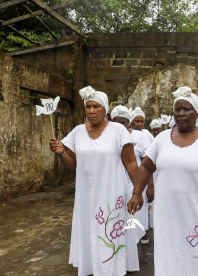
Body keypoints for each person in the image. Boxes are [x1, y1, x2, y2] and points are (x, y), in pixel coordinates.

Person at [127, 86, 198, 276]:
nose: (181, 113)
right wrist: (137, 193)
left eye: (187, 109)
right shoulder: (161, 139)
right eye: (178, 109)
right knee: (170, 255)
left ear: (197, 113)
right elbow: (145, 166)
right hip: (168, 214)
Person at [49, 86, 139, 276]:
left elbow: (131, 162)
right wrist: (61, 152)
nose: (91, 110)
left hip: (112, 193)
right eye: (88, 106)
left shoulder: (117, 130)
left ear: (105, 109)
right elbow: (72, 163)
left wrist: (138, 192)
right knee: (91, 232)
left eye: (96, 106)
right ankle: (96, 269)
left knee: (110, 233)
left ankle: (111, 270)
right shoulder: (77, 132)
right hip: (86, 196)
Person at [111, 105, 151, 246]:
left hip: (135, 181)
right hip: (116, 182)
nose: (119, 126)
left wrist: (150, 186)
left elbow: (147, 163)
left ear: (129, 122)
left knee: (136, 213)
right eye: (116, 123)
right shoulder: (109, 135)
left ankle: (140, 235)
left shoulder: (140, 137)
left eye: (123, 123)